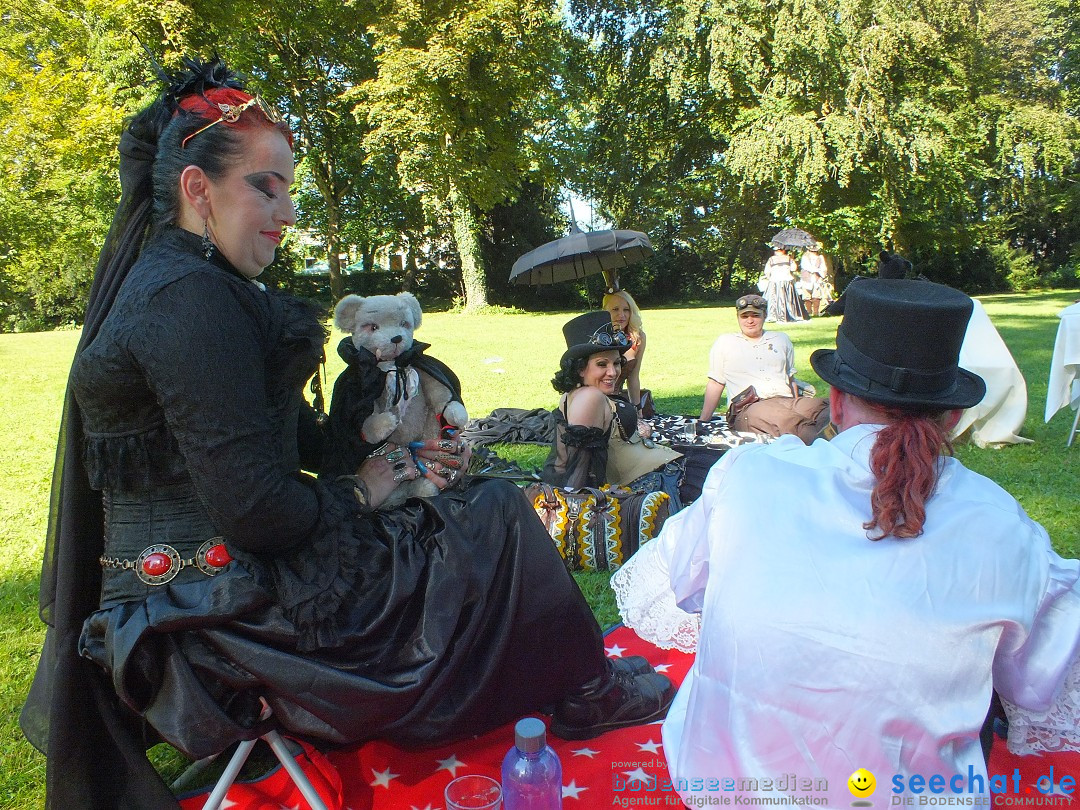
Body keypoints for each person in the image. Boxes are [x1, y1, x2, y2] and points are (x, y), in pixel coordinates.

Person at [20, 58, 674, 809]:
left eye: (289, 188)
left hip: (209, 588)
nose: (288, 210)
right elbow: (261, 512)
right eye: (266, 187)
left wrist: (392, 429)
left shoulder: (199, 287)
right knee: (494, 516)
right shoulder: (187, 303)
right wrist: (367, 489)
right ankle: (583, 691)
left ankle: (577, 676)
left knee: (470, 507)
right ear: (196, 190)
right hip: (212, 615)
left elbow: (309, 445)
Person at [613, 279, 1080, 808]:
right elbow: (1041, 677)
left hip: (723, 782)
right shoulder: (1001, 526)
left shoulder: (748, 475)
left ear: (834, 402)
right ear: (953, 417)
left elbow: (678, 587)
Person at [543, 311, 682, 490]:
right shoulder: (589, 397)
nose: (613, 372)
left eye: (616, 363)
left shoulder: (575, 394)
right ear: (580, 369)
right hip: (656, 482)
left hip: (661, 471)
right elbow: (578, 472)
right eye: (602, 364)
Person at [697, 294, 829, 444]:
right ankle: (831, 452)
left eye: (755, 315)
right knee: (793, 422)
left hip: (784, 400)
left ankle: (844, 442)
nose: (750, 320)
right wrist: (703, 422)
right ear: (738, 317)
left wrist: (795, 405)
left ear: (765, 316)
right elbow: (716, 382)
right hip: (749, 408)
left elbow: (790, 379)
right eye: (744, 316)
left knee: (827, 407)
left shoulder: (781, 339)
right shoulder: (725, 342)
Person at [603, 286, 649, 414]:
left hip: (618, 403)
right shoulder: (599, 338)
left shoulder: (637, 338)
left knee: (643, 432)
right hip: (595, 402)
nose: (621, 315)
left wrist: (638, 410)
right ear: (605, 311)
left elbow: (633, 377)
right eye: (615, 309)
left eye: (626, 310)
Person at [761, 246, 808, 322]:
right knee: (789, 299)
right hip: (787, 280)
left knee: (774, 299)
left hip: (775, 281)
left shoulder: (771, 259)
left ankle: (773, 315)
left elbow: (767, 271)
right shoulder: (788, 258)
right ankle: (790, 314)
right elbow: (793, 268)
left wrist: (770, 278)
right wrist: (792, 260)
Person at [798, 243, 831, 316]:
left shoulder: (820, 257)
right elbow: (806, 266)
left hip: (817, 279)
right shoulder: (805, 257)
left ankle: (816, 312)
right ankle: (808, 312)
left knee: (816, 296)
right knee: (807, 296)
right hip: (806, 279)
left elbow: (823, 268)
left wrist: (820, 273)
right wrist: (816, 270)